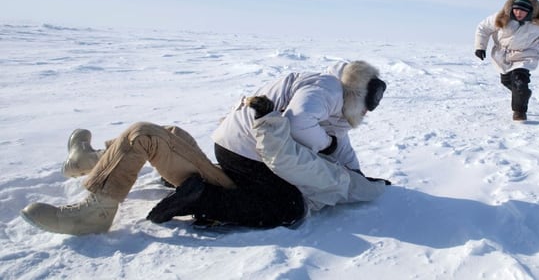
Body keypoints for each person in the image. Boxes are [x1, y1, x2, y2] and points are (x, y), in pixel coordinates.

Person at [21, 60, 389, 235]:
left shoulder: (330, 99)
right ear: (357, 95)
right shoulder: (325, 89)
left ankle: (93, 159)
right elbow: (298, 126)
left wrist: (358, 174)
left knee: (165, 136)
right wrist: (325, 148)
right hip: (250, 152)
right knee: (285, 206)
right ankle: (96, 210)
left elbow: (340, 147)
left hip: (233, 145)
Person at [474, 0, 539, 122]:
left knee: (520, 82)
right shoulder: (501, 17)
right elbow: (483, 28)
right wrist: (480, 47)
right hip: (503, 55)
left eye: (523, 10)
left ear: (530, 11)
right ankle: (523, 94)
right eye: (516, 9)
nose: (518, 13)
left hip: (525, 55)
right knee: (506, 82)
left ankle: (519, 112)